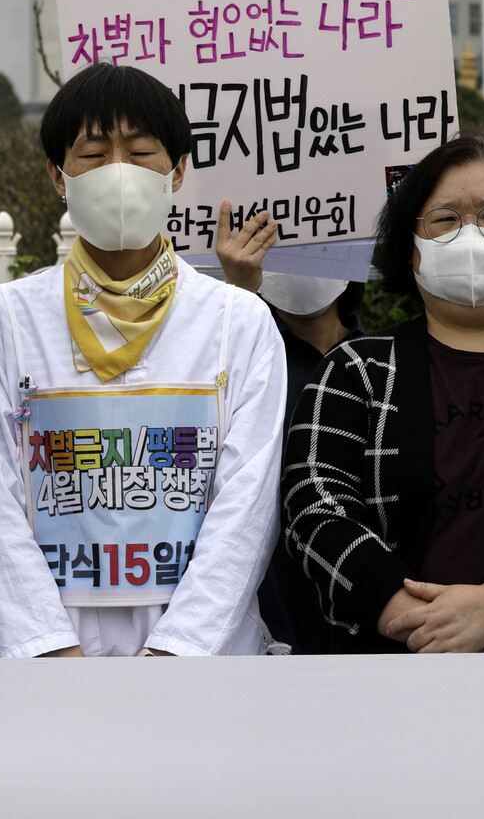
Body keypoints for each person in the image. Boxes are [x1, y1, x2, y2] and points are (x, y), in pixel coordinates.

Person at [0, 62, 286, 658]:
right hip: (53, 662)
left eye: (140, 152)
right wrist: (50, 650)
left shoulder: (239, 321)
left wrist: (177, 650)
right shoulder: (3, 320)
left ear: (178, 170)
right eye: (93, 154)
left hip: (201, 664)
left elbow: (247, 507)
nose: (119, 172)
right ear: (58, 176)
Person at [283, 132, 484, 653]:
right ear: (413, 251)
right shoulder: (355, 371)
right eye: (444, 220)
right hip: (387, 670)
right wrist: (400, 609)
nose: (469, 235)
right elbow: (313, 504)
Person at [216, 205, 365, 649]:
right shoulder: (246, 358)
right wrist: (237, 293)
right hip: (264, 618)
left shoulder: (381, 364)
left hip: (366, 618)